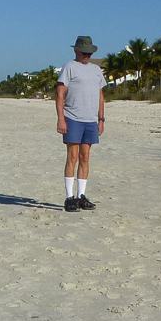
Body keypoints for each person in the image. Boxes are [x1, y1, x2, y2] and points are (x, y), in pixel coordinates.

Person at [55, 35, 107, 212]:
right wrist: (61, 118)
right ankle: (69, 197)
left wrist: (101, 119)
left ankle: (81, 196)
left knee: (85, 157)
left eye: (89, 53)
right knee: (73, 156)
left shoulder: (96, 70)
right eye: (84, 52)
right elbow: (60, 94)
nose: (86, 55)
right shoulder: (69, 67)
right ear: (76, 51)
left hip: (91, 120)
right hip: (72, 118)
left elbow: (100, 96)